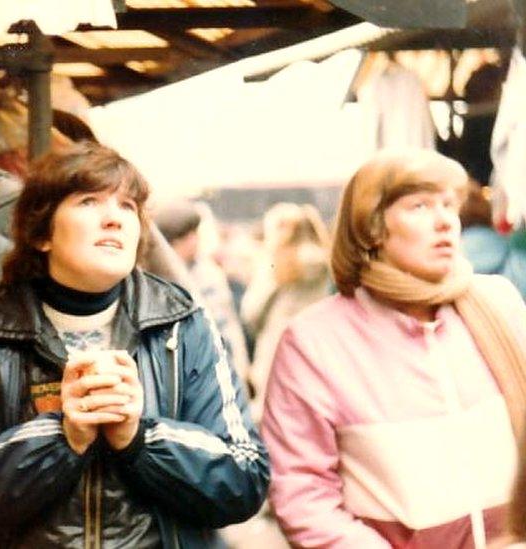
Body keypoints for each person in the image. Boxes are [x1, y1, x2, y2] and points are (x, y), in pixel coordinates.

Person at [0, 141, 269, 547]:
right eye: (89, 201)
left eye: (126, 206)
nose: (113, 220)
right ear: (41, 233)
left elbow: (245, 480)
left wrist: (140, 438)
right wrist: (61, 437)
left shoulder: (183, 324)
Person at [261, 149, 526, 548]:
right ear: (371, 227)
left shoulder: (496, 303)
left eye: (448, 206)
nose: (444, 222)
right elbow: (303, 495)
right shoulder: (315, 342)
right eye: (419, 206)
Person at [241, 202, 331, 422]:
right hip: (315, 340)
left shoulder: (277, 261)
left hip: (277, 341)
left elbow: (252, 309)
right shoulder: (324, 258)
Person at [153, 201, 251, 387]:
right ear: (177, 240)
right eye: (191, 235)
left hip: (218, 370)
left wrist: (239, 370)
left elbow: (226, 328)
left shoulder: (207, 272)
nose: (196, 240)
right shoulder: (159, 277)